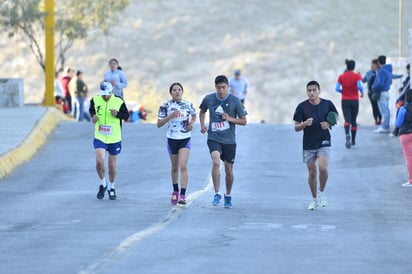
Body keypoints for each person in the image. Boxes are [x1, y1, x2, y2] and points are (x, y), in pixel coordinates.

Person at [199, 75, 247, 208]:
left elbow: (244, 121)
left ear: (228, 87)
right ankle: (216, 193)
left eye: (224, 87)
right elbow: (202, 111)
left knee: (228, 169)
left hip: (229, 140)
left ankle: (228, 195)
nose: (221, 90)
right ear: (215, 87)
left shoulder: (235, 101)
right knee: (215, 162)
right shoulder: (208, 98)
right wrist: (202, 124)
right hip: (214, 137)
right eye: (219, 88)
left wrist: (230, 119)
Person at [293, 80, 338, 210]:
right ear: (307, 92)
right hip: (308, 144)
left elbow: (336, 116)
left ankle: (322, 192)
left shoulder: (327, 104)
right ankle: (314, 199)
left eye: (314, 90)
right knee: (312, 173)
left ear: (319, 91)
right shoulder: (302, 107)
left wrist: (329, 124)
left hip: (324, 141)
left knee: (323, 168)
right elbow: (296, 127)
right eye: (309, 91)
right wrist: (304, 124)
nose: (311, 93)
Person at [157, 83, 197, 205]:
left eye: (179, 90)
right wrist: (170, 116)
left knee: (183, 166)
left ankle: (183, 194)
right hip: (172, 138)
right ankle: (175, 191)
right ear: (171, 92)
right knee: (174, 166)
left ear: (182, 92)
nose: (177, 92)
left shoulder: (188, 104)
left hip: (184, 137)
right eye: (174, 90)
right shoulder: (165, 106)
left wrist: (191, 124)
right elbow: (159, 124)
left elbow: (194, 115)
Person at [89, 82, 129, 200]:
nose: (105, 97)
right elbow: (92, 110)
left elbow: (126, 115)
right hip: (100, 135)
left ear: (112, 92)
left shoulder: (119, 101)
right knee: (99, 160)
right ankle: (103, 183)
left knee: (111, 165)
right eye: (103, 95)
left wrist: (117, 114)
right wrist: (93, 117)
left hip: (114, 137)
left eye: (108, 94)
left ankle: (112, 187)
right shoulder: (95, 99)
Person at [336, 59, 363, 148]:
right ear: (354, 67)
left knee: (347, 120)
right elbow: (359, 86)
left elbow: (337, 88)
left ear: (346, 66)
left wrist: (343, 91)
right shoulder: (357, 76)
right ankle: (353, 140)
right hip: (355, 100)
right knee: (354, 120)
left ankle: (347, 134)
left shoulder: (341, 76)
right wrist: (361, 92)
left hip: (345, 100)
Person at [395, 89, 412, 187]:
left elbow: (398, 123)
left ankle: (411, 180)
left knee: (409, 157)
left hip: (405, 134)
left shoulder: (403, 108)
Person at [372, 55, 393, 133]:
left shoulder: (381, 71)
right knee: (386, 110)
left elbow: (379, 83)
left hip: (382, 93)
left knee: (384, 111)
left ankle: (384, 127)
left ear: (378, 62)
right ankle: (386, 125)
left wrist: (374, 87)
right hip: (387, 92)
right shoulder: (388, 70)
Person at [392, 64, 410, 136]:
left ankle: (396, 130)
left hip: (406, 99)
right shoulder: (408, 78)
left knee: (400, 110)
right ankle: (396, 130)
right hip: (404, 98)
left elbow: (405, 89)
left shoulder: (409, 79)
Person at [362, 59, 381, 125]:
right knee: (374, 106)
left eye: (373, 64)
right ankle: (376, 119)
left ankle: (380, 119)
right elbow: (363, 80)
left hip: (378, 92)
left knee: (379, 106)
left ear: (377, 65)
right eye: (371, 64)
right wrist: (358, 76)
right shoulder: (369, 72)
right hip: (370, 93)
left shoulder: (380, 72)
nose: (372, 66)